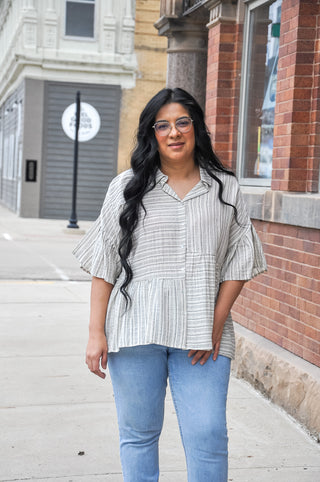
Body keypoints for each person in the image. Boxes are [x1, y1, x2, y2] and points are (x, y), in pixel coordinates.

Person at [73, 87, 267, 482]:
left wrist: (215, 322)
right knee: (140, 435)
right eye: (163, 125)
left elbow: (239, 260)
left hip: (202, 332)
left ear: (196, 128)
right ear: (152, 133)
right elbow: (104, 262)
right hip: (135, 328)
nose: (174, 132)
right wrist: (96, 333)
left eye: (182, 122)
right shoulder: (126, 187)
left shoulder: (225, 187)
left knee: (208, 434)